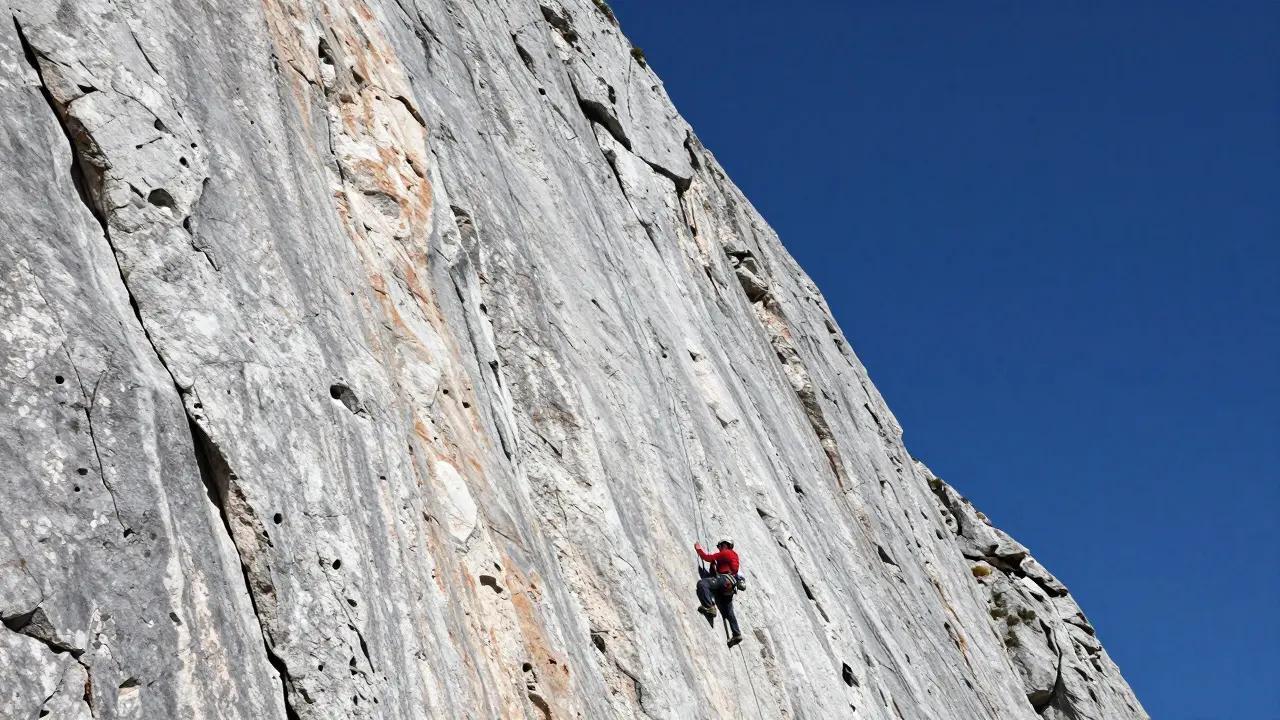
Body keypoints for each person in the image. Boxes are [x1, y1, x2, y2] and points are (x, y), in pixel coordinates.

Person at [695, 537, 742, 647]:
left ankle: (710, 606)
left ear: (724, 545)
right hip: (729, 585)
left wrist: (698, 549)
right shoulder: (732, 556)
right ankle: (736, 633)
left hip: (724, 580)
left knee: (703, 584)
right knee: (729, 610)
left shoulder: (726, 553)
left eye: (719, 546)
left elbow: (707, 557)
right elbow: (717, 569)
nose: (719, 549)